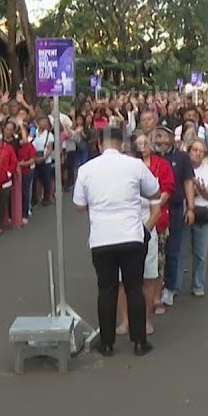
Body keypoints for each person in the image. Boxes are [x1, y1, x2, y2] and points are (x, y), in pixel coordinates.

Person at [73, 127, 160, 357]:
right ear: (122, 145)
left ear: (100, 145)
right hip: (131, 235)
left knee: (106, 290)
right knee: (134, 288)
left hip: (102, 238)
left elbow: (79, 205)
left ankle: (107, 343)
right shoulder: (135, 165)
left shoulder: (86, 170)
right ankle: (140, 342)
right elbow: (154, 191)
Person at [118, 132, 172, 337]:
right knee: (123, 279)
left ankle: (146, 320)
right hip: (122, 234)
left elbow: (156, 209)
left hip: (145, 233)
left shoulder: (149, 181)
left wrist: (144, 233)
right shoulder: (116, 182)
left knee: (148, 278)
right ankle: (126, 320)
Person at [154, 125, 196, 311]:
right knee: (153, 250)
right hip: (154, 209)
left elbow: (188, 182)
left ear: (171, 138)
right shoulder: (150, 157)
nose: (159, 140)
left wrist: (191, 208)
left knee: (173, 249)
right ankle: (154, 287)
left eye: (163, 136)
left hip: (176, 208)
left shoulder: (181, 157)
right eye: (157, 136)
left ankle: (169, 287)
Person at [188, 138, 208, 297]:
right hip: (185, 212)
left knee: (200, 252)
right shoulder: (183, 168)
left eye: (201, 151)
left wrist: (200, 188)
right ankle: (173, 286)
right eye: (195, 150)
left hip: (202, 213)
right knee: (179, 252)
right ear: (189, 151)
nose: (198, 153)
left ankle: (198, 284)